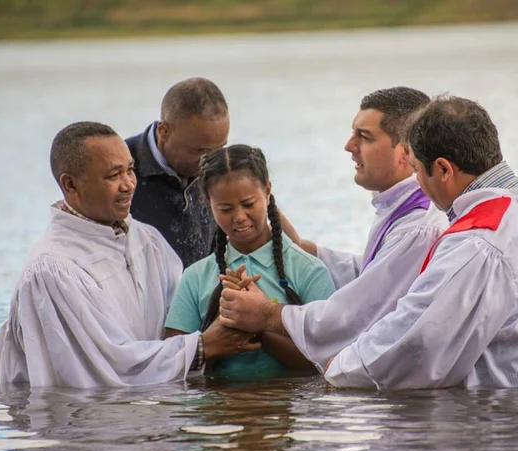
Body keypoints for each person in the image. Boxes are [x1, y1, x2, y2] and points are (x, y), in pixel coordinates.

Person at [219, 96, 518, 390]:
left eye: (417, 170)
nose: (416, 181)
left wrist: (339, 368)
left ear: (444, 169)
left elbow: (417, 343)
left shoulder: (480, 243)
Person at [0, 122, 225, 389]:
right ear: (71, 185)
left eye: (131, 170)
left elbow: (181, 320)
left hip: (149, 419)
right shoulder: (52, 271)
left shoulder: (148, 240)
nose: (129, 185)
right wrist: (203, 347)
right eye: (114, 176)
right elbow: (100, 374)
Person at [271, 87, 449, 370]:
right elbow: (375, 273)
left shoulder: (418, 226)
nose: (349, 145)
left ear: (406, 151)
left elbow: (360, 311)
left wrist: (269, 316)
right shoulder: (401, 206)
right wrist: (308, 252)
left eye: (364, 137)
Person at [163, 144, 336, 380]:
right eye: (225, 208)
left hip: (287, 410)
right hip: (221, 411)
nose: (239, 217)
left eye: (248, 204)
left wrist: (258, 325)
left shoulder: (309, 270)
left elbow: (329, 358)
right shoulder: (195, 277)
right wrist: (217, 334)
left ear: (267, 191)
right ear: (207, 202)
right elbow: (169, 359)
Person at [126, 77, 230, 268]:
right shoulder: (118, 172)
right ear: (164, 131)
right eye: (200, 151)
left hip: (204, 292)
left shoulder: (222, 164)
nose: (212, 163)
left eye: (220, 148)